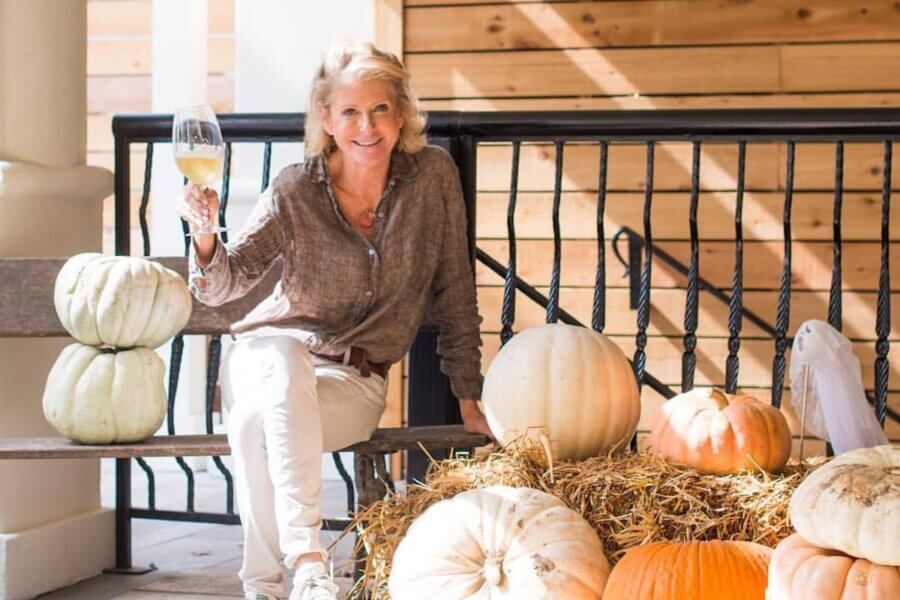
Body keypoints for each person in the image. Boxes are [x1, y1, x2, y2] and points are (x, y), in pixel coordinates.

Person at [177, 40, 493, 600]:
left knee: (256, 427)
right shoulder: (296, 191)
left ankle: (264, 585)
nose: (366, 126)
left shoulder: (433, 179)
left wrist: (469, 395)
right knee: (278, 359)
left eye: (379, 110)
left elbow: (455, 289)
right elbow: (225, 286)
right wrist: (205, 234)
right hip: (265, 358)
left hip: (353, 383)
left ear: (401, 115)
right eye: (349, 111)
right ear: (326, 119)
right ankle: (308, 562)